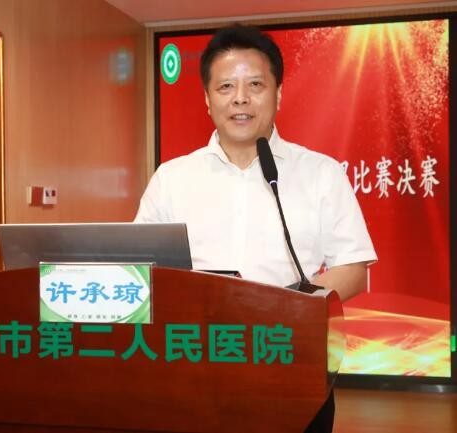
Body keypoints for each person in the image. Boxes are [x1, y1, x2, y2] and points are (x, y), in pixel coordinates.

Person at [135, 24, 377, 433]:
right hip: (192, 364)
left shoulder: (320, 172)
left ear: (278, 93)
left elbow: (353, 269)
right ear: (207, 98)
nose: (240, 98)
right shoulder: (172, 178)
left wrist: (282, 308)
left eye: (255, 85)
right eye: (225, 86)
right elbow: (140, 266)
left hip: (290, 358)